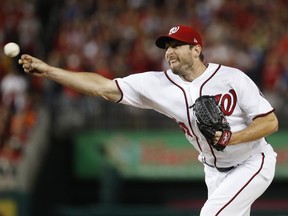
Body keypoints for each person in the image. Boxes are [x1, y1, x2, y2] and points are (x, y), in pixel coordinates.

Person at [19, 25, 278, 216]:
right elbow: (104, 88)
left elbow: (270, 123)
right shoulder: (157, 84)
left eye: (177, 45)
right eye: (167, 47)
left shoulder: (233, 78)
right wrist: (50, 71)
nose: (169, 52)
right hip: (213, 171)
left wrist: (233, 137)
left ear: (196, 49)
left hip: (252, 161)